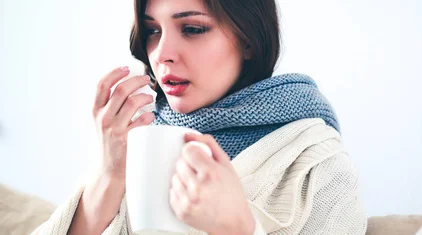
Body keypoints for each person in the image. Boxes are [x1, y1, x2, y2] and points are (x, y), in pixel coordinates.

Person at [32, 0, 367, 234]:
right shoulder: (141, 139)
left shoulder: (318, 163)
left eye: (192, 28)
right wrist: (109, 174)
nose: (162, 54)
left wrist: (239, 228)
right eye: (152, 31)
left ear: (248, 39)